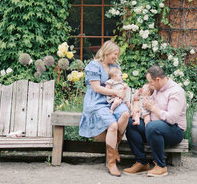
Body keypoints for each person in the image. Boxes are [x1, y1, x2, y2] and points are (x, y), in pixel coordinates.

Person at [124, 65, 186, 177]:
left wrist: (153, 108)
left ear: (158, 79)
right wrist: (139, 106)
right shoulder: (157, 89)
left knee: (153, 127)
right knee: (130, 123)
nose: (150, 85)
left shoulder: (176, 92)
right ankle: (142, 162)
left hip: (174, 131)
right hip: (153, 128)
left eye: (151, 82)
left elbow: (172, 119)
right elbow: (147, 108)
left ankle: (161, 166)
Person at [79, 41, 130, 177]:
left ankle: (115, 144)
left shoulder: (115, 66)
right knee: (112, 125)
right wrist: (115, 93)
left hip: (112, 101)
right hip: (97, 101)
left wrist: (122, 91)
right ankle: (111, 162)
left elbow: (119, 83)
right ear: (107, 52)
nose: (116, 57)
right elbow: (96, 88)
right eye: (115, 54)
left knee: (125, 114)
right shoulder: (94, 66)